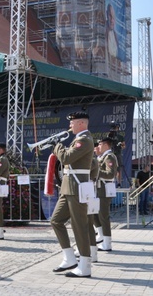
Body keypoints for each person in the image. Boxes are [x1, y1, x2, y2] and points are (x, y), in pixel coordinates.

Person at [50, 111, 95, 278]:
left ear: (81, 124)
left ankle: (85, 265)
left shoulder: (84, 139)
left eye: (72, 122)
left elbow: (67, 158)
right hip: (68, 187)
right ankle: (69, 258)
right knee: (56, 220)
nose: (70, 125)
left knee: (79, 225)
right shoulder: (78, 139)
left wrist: (57, 145)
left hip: (76, 187)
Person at [94, 136, 118, 252]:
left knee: (104, 216)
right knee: (95, 214)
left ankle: (107, 243)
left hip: (104, 190)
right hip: (99, 189)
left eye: (99, 144)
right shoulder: (103, 157)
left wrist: (95, 171)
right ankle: (101, 235)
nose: (98, 147)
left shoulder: (109, 157)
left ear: (105, 145)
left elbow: (110, 174)